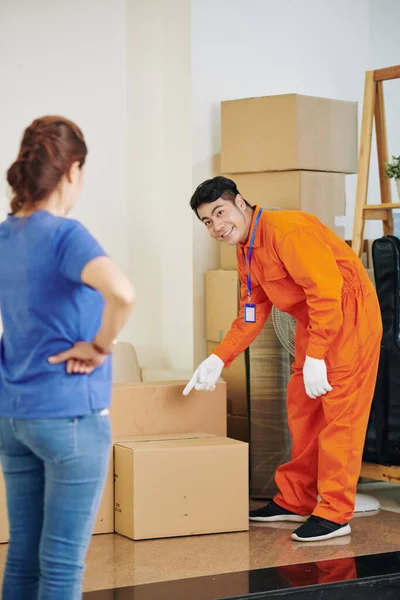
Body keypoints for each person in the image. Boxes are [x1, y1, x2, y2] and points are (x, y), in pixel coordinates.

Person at [184, 176, 382, 543]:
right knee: (303, 411)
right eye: (207, 221)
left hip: (348, 319)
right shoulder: (246, 249)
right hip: (315, 321)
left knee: (341, 419)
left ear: (240, 203)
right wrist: (218, 357)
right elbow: (251, 310)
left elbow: (327, 294)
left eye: (219, 212)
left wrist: (318, 354)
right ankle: (295, 500)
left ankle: (335, 514)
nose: (216, 226)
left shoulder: (288, 232)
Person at [0, 116, 135, 599]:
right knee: (60, 567)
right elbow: (123, 292)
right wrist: (99, 346)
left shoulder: (4, 235)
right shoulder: (65, 235)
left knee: (22, 559)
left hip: (13, 416)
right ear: (72, 170)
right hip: (70, 418)